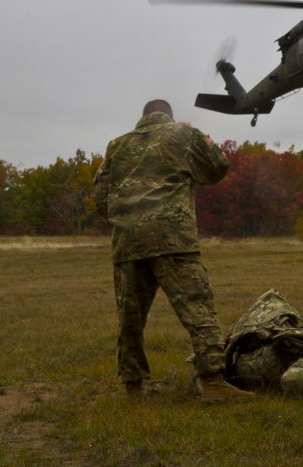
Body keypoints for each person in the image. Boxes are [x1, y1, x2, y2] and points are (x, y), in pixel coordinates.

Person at [92, 99, 253, 404]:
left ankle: (134, 388)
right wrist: (198, 136)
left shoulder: (117, 146)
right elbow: (218, 165)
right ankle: (213, 382)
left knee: (130, 319)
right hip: (173, 238)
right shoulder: (182, 134)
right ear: (169, 115)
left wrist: (129, 219)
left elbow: (100, 197)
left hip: (128, 243)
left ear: (143, 117)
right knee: (197, 309)